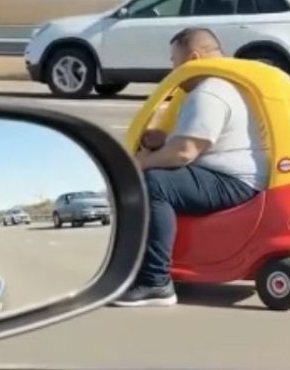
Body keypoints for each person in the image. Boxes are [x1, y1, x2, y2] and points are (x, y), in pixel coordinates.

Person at [111, 27, 269, 307]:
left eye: (174, 61)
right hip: (238, 174)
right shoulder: (230, 85)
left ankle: (155, 281)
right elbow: (202, 140)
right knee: (157, 175)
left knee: (152, 184)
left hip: (229, 180)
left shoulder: (209, 92)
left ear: (193, 58)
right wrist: (163, 139)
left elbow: (184, 153)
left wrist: (139, 163)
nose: (172, 69)